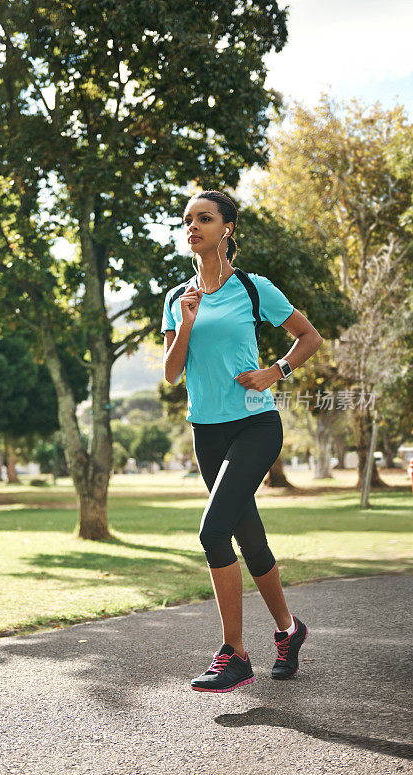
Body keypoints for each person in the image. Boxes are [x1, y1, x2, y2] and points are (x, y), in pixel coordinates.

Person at [161, 190, 323, 693]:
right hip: (206, 433)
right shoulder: (176, 297)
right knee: (248, 538)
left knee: (213, 531)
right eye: (187, 220)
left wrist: (276, 371)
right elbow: (171, 374)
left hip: (255, 425)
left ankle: (234, 653)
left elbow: (309, 336)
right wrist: (186, 322)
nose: (193, 227)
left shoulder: (253, 288)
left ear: (227, 229)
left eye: (204, 218)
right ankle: (289, 630)